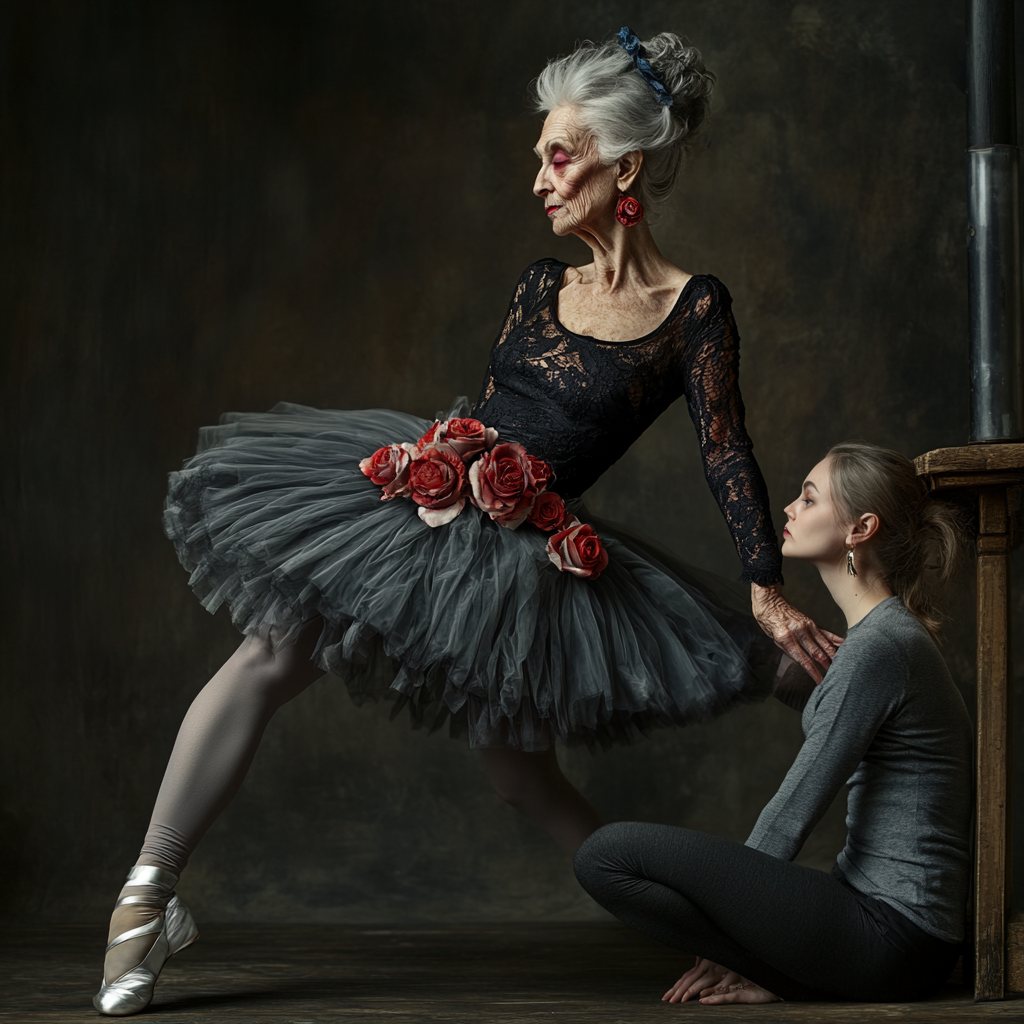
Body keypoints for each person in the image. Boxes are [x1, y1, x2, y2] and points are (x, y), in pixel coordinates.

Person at [93, 28, 839, 1016]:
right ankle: (144, 897)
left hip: (529, 547)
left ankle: (736, 938)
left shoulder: (692, 310)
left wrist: (763, 585)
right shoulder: (540, 285)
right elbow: (495, 408)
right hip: (432, 501)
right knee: (269, 653)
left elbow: (723, 450)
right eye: (537, 154)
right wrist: (441, 477)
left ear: (626, 165)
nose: (538, 174)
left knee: (523, 778)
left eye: (558, 153)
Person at [573, 441, 973, 1004]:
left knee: (607, 855)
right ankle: (784, 975)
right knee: (613, 858)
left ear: (861, 528)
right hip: (892, 933)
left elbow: (796, 806)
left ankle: (770, 970)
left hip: (893, 938)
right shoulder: (881, 641)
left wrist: (736, 928)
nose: (788, 508)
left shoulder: (881, 647)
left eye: (808, 499)